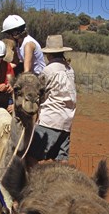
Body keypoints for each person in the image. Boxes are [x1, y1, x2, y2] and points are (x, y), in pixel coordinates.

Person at [27, 34, 77, 164]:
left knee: (32, 157)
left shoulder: (48, 70)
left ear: (49, 54)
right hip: (67, 121)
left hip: (50, 119)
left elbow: (37, 92)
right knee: (61, 160)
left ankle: (33, 183)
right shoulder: (70, 69)